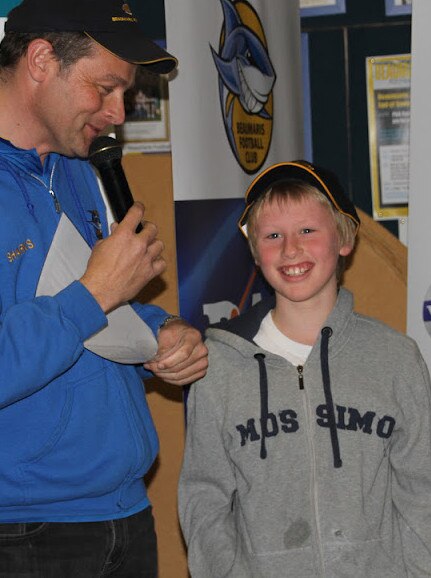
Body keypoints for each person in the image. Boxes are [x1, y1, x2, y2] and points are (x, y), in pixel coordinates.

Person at [0, 0, 208, 576]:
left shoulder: (77, 170)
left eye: (126, 94)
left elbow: (96, 306)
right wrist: (94, 294)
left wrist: (158, 332)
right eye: (105, 88)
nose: (116, 113)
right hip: (24, 530)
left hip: (123, 511)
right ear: (41, 60)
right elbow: (85, 299)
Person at [178, 160, 431, 577]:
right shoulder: (220, 364)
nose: (290, 249)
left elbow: (423, 491)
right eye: (273, 235)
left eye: (308, 231)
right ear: (256, 253)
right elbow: (204, 496)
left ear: (344, 238)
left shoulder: (395, 358)